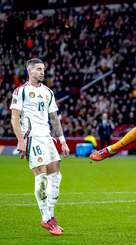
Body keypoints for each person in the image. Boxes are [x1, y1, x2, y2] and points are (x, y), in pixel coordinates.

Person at [10, 58, 70, 235]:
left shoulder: (48, 92)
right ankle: (45, 219)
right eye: (38, 69)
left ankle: (51, 216)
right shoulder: (21, 91)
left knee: (56, 177)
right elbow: (14, 117)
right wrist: (20, 140)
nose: (42, 72)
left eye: (43, 69)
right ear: (29, 71)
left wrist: (63, 140)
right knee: (41, 177)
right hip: (31, 137)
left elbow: (54, 117)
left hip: (47, 137)